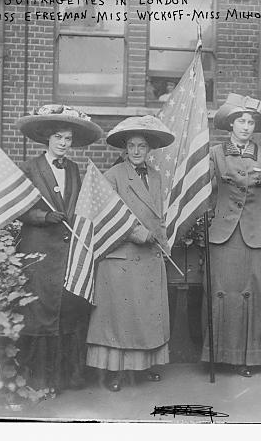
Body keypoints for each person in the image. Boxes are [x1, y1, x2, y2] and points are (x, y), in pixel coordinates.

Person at [15, 104, 103, 395]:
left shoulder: (75, 170)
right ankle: (39, 380)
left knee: (66, 311)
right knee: (41, 313)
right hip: (39, 253)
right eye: (58, 137)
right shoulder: (28, 168)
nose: (63, 143)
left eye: (67, 138)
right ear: (46, 139)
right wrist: (43, 217)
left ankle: (67, 378)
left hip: (68, 256)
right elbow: (19, 209)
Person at [86, 116, 175, 392]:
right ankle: (116, 372)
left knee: (146, 316)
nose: (137, 151)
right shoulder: (111, 176)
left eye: (142, 146)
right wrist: (138, 234)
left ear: (149, 150)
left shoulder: (157, 177)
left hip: (150, 256)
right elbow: (105, 216)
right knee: (121, 319)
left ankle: (145, 366)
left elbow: (159, 215)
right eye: (132, 146)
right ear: (125, 148)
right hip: (122, 257)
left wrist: (161, 241)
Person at [201, 93, 261, 377]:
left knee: (256, 293)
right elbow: (204, 192)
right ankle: (222, 355)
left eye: (251, 122)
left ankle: (252, 357)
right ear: (231, 124)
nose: (246, 127)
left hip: (255, 235)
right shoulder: (215, 153)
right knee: (224, 294)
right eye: (241, 121)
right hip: (223, 236)